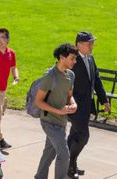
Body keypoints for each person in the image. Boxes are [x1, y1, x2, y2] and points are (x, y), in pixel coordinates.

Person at [66, 32, 110, 179]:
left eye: (92, 43)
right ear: (79, 44)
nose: (91, 46)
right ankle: (70, 166)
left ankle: (68, 162)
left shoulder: (90, 58)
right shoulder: (72, 60)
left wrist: (104, 100)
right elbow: (65, 83)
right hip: (75, 106)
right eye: (88, 43)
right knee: (83, 135)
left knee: (74, 135)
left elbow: (96, 80)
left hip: (86, 105)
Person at [34, 43, 78, 179]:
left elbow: (69, 96)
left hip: (61, 122)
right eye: (72, 58)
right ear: (61, 57)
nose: (75, 61)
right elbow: (39, 101)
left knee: (49, 152)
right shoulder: (50, 76)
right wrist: (58, 111)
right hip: (49, 122)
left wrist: (73, 104)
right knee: (64, 154)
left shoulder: (70, 75)